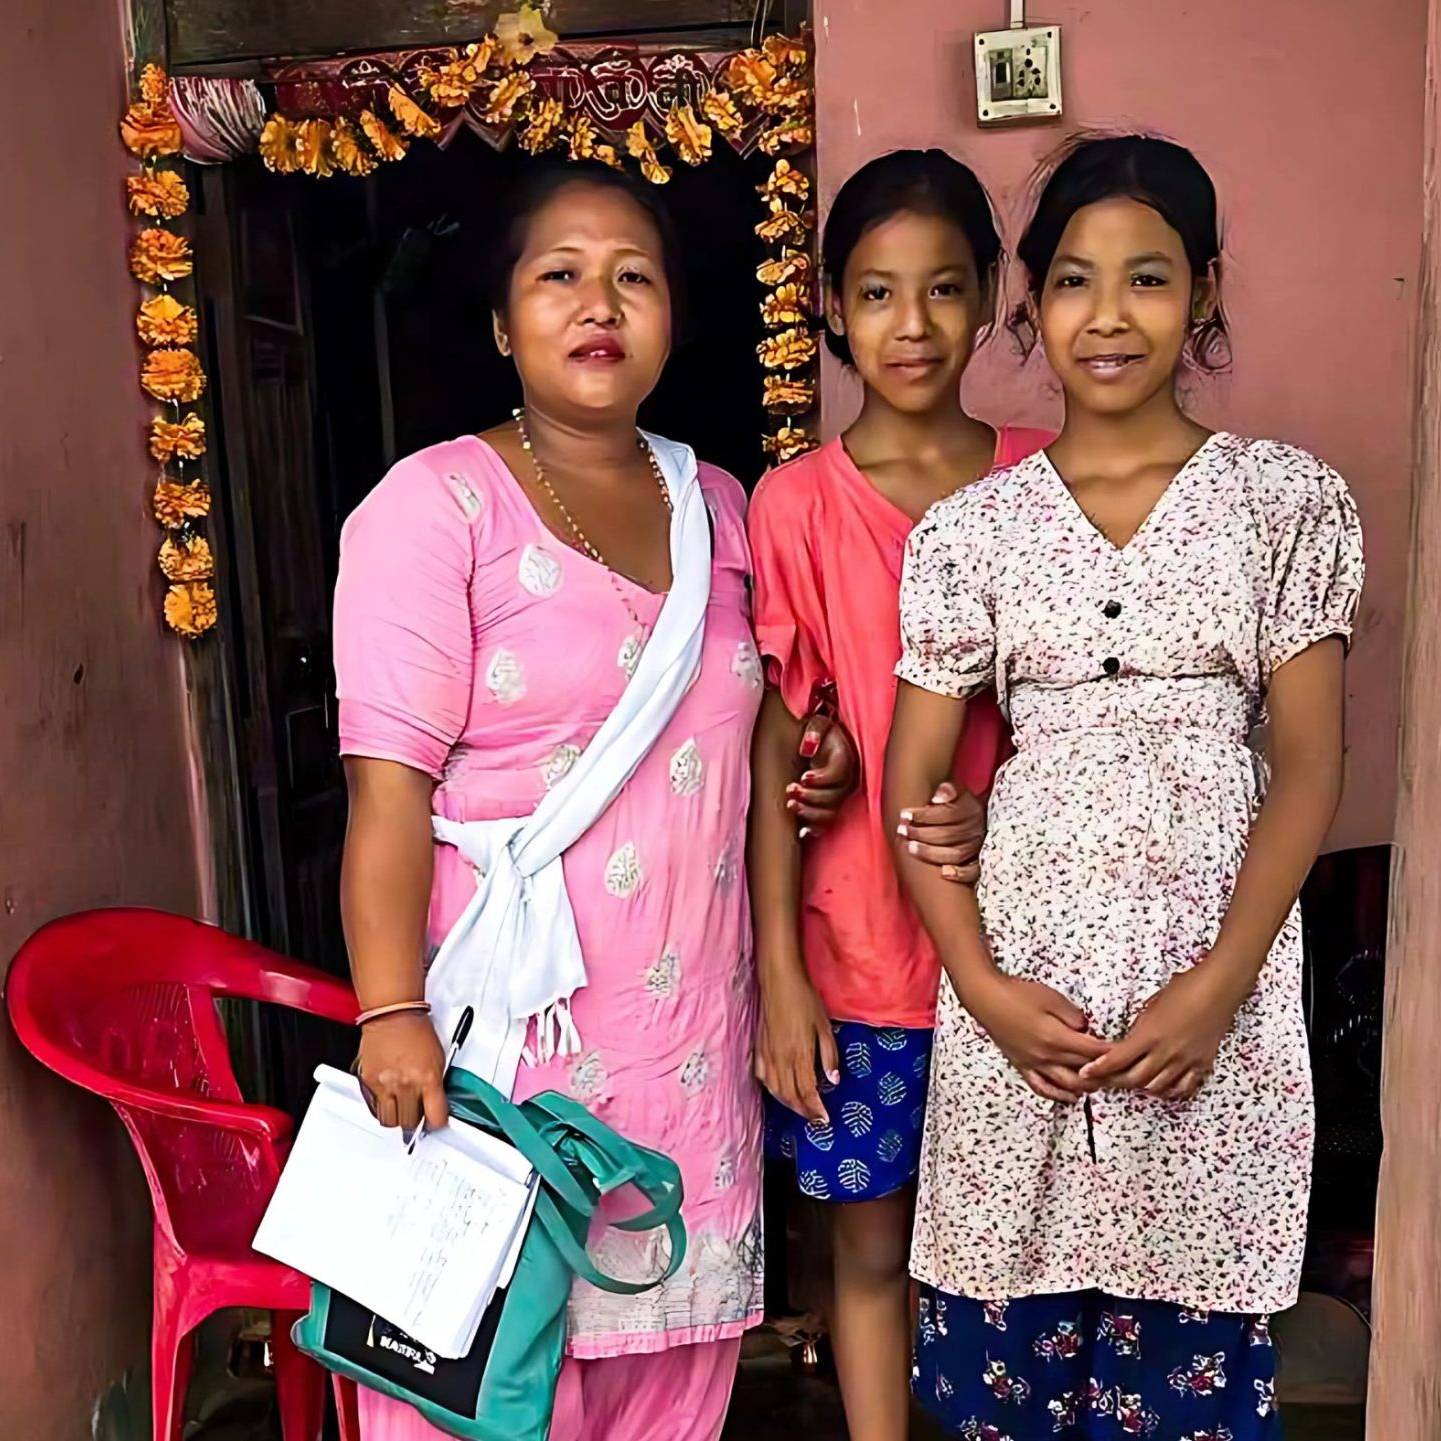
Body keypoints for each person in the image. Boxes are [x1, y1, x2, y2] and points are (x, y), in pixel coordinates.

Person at [332, 160, 858, 1441]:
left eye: (633, 274)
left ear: (674, 315)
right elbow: (387, 792)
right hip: (502, 1054)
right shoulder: (432, 504)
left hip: (686, 1045)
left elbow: (737, 741)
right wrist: (390, 1007)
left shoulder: (719, 504)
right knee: (484, 1380)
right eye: (558, 274)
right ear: (505, 322)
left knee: (667, 1387)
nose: (597, 301)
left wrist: (814, 767)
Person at [886, 133, 1364, 1440]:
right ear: (1030, 302)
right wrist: (978, 986)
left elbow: (1310, 767)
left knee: (1187, 1370)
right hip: (1019, 1004)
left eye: (1147, 279)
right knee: (1009, 1379)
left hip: (1208, 996)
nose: (1107, 316)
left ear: (1204, 290)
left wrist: (1219, 987)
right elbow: (911, 786)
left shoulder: (1282, 500)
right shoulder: (970, 533)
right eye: (1074, 281)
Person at [747, 149, 1051, 1441]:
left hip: (1036, 958)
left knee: (1018, 1275)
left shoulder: (1051, 478)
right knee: (867, 1261)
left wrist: (1013, 810)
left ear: (988, 299)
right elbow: (780, 746)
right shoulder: (796, 507)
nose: (910, 325)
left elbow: (1097, 719)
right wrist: (779, 972)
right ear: (829, 305)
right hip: (860, 959)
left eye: (941, 289)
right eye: (876, 293)